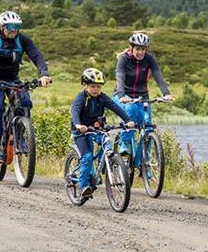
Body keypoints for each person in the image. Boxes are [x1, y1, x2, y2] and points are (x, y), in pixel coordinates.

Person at [0, 10, 51, 165]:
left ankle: (21, 137)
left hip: (12, 79)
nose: (13, 30)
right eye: (10, 26)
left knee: (24, 103)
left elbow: (36, 55)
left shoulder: (22, 40)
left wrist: (43, 74)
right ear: (2, 26)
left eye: (17, 26)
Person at [71, 68, 135, 199]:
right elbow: (75, 111)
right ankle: (83, 186)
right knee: (87, 157)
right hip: (81, 131)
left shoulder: (102, 97)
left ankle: (99, 169)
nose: (96, 89)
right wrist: (78, 125)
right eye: (93, 86)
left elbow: (115, 107)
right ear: (85, 85)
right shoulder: (81, 98)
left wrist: (128, 120)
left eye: (98, 87)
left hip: (96, 129)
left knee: (106, 144)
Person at [113, 32, 173, 165]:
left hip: (142, 97)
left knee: (148, 127)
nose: (140, 52)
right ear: (132, 48)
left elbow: (158, 75)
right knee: (132, 110)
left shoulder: (149, 59)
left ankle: (145, 164)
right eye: (137, 49)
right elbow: (120, 77)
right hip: (122, 96)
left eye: (143, 49)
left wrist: (166, 93)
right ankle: (124, 143)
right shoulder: (123, 59)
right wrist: (122, 95)